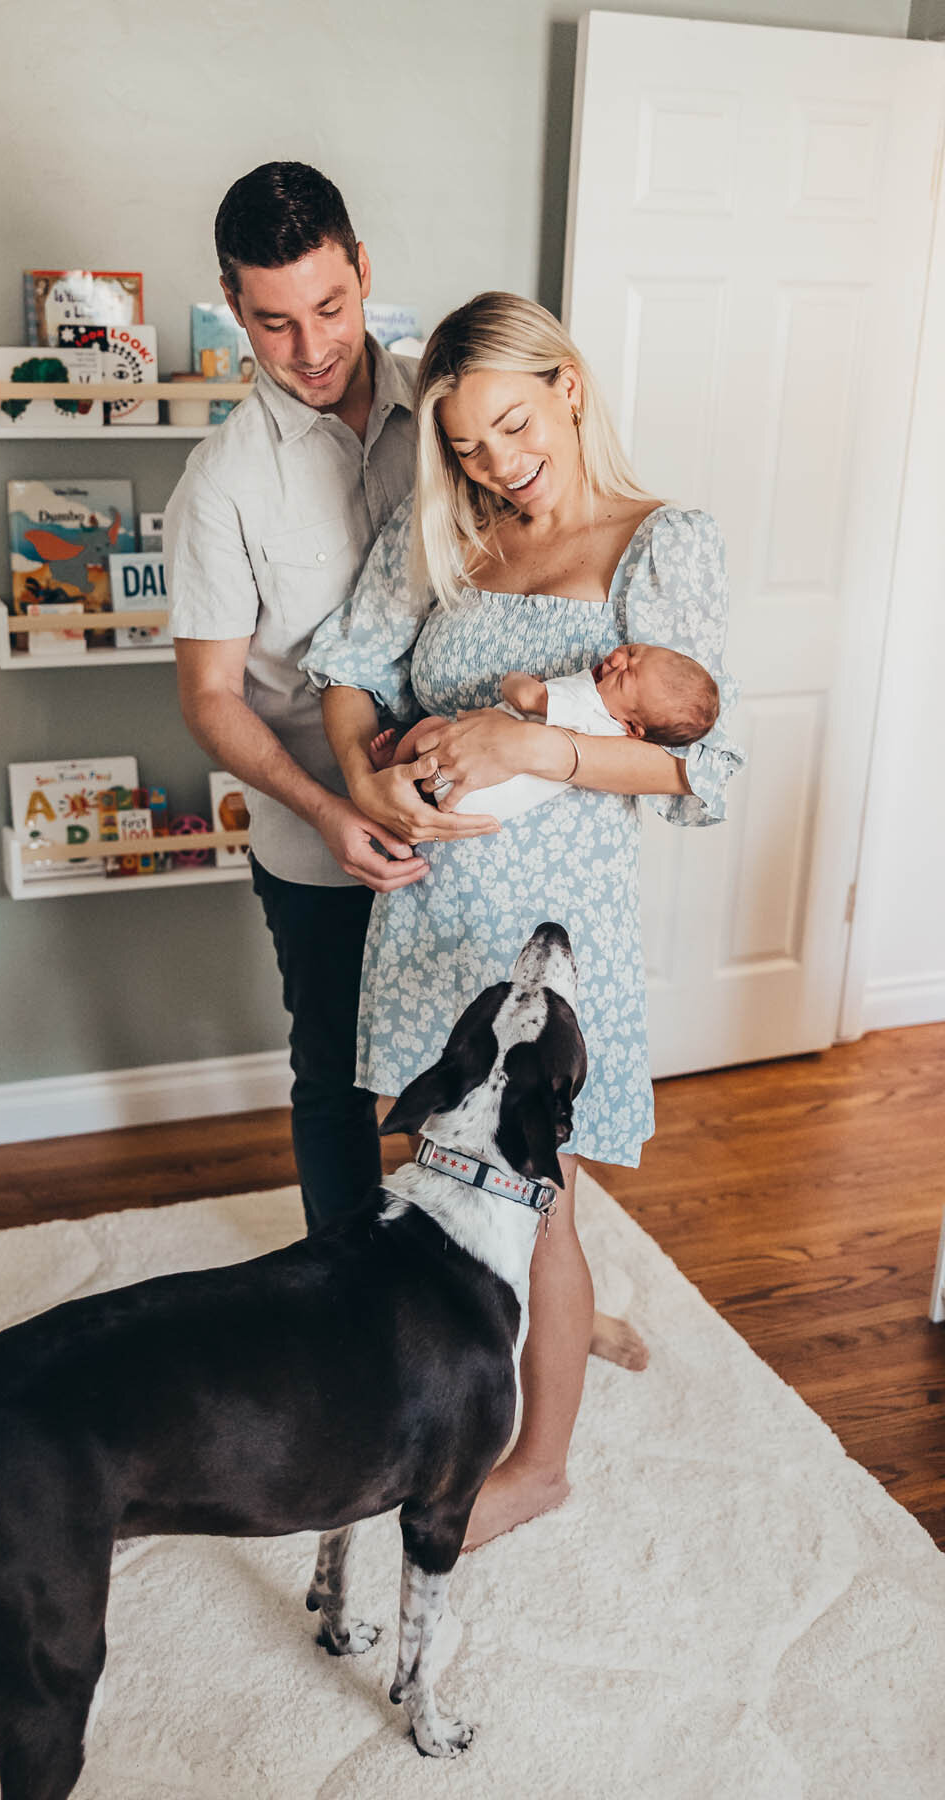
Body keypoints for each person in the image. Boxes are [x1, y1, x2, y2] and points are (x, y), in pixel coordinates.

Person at [302, 291, 745, 1548]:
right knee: (442, 1188)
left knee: (531, 1197)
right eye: (466, 443)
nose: (497, 461)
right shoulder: (452, 538)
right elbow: (350, 670)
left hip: (548, 930)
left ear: (569, 386)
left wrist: (531, 743)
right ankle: (438, 1407)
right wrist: (363, 773)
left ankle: (540, 1464)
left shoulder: (663, 542)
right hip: (427, 913)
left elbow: (698, 767)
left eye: (512, 422)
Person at [164, 162, 497, 1231]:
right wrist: (327, 810)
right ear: (234, 309)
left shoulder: (455, 421)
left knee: (476, 1065)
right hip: (318, 842)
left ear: (363, 270)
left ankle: (475, 1281)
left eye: (330, 307)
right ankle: (352, 1305)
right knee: (339, 1079)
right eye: (273, 323)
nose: (311, 350)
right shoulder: (219, 485)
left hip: (474, 825)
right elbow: (212, 695)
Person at [369, 641, 720, 821]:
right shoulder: (613, 735)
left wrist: (516, 680)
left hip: (471, 778)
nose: (616, 660)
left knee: (429, 729)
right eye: (633, 651)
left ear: (633, 726)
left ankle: (391, 768)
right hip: (488, 802)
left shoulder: (586, 700)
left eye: (626, 675)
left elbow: (524, 696)